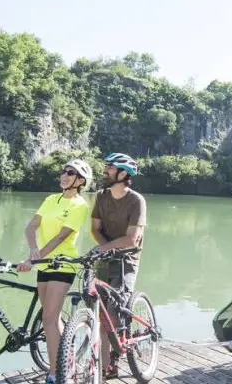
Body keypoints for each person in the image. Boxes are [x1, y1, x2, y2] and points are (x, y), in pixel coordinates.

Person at [17, 159, 93, 384]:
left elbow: (62, 236)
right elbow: (31, 226)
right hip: (43, 264)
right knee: (53, 318)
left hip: (63, 264)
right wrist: (33, 252)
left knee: (49, 319)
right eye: (63, 171)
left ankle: (56, 374)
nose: (64, 175)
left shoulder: (79, 205)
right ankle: (64, 362)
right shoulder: (51, 199)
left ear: (80, 181)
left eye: (70, 173)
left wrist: (36, 258)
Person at [89, 152, 146, 379]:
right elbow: (94, 229)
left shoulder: (136, 201)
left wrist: (105, 249)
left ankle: (113, 359)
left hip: (127, 260)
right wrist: (105, 249)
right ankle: (104, 367)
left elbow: (132, 238)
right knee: (101, 312)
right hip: (105, 257)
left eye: (110, 168)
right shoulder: (101, 197)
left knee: (113, 312)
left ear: (124, 173)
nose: (106, 172)